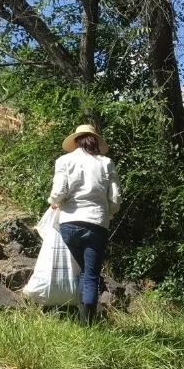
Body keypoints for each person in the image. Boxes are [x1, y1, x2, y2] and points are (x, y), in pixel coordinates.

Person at [48, 124, 122, 325]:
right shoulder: (107, 163)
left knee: (82, 271)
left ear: (76, 141)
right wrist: (105, 214)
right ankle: (87, 323)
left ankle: (81, 318)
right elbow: (115, 200)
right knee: (90, 274)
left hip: (69, 224)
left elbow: (58, 194)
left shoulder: (64, 161)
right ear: (96, 142)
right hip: (96, 224)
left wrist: (53, 202)